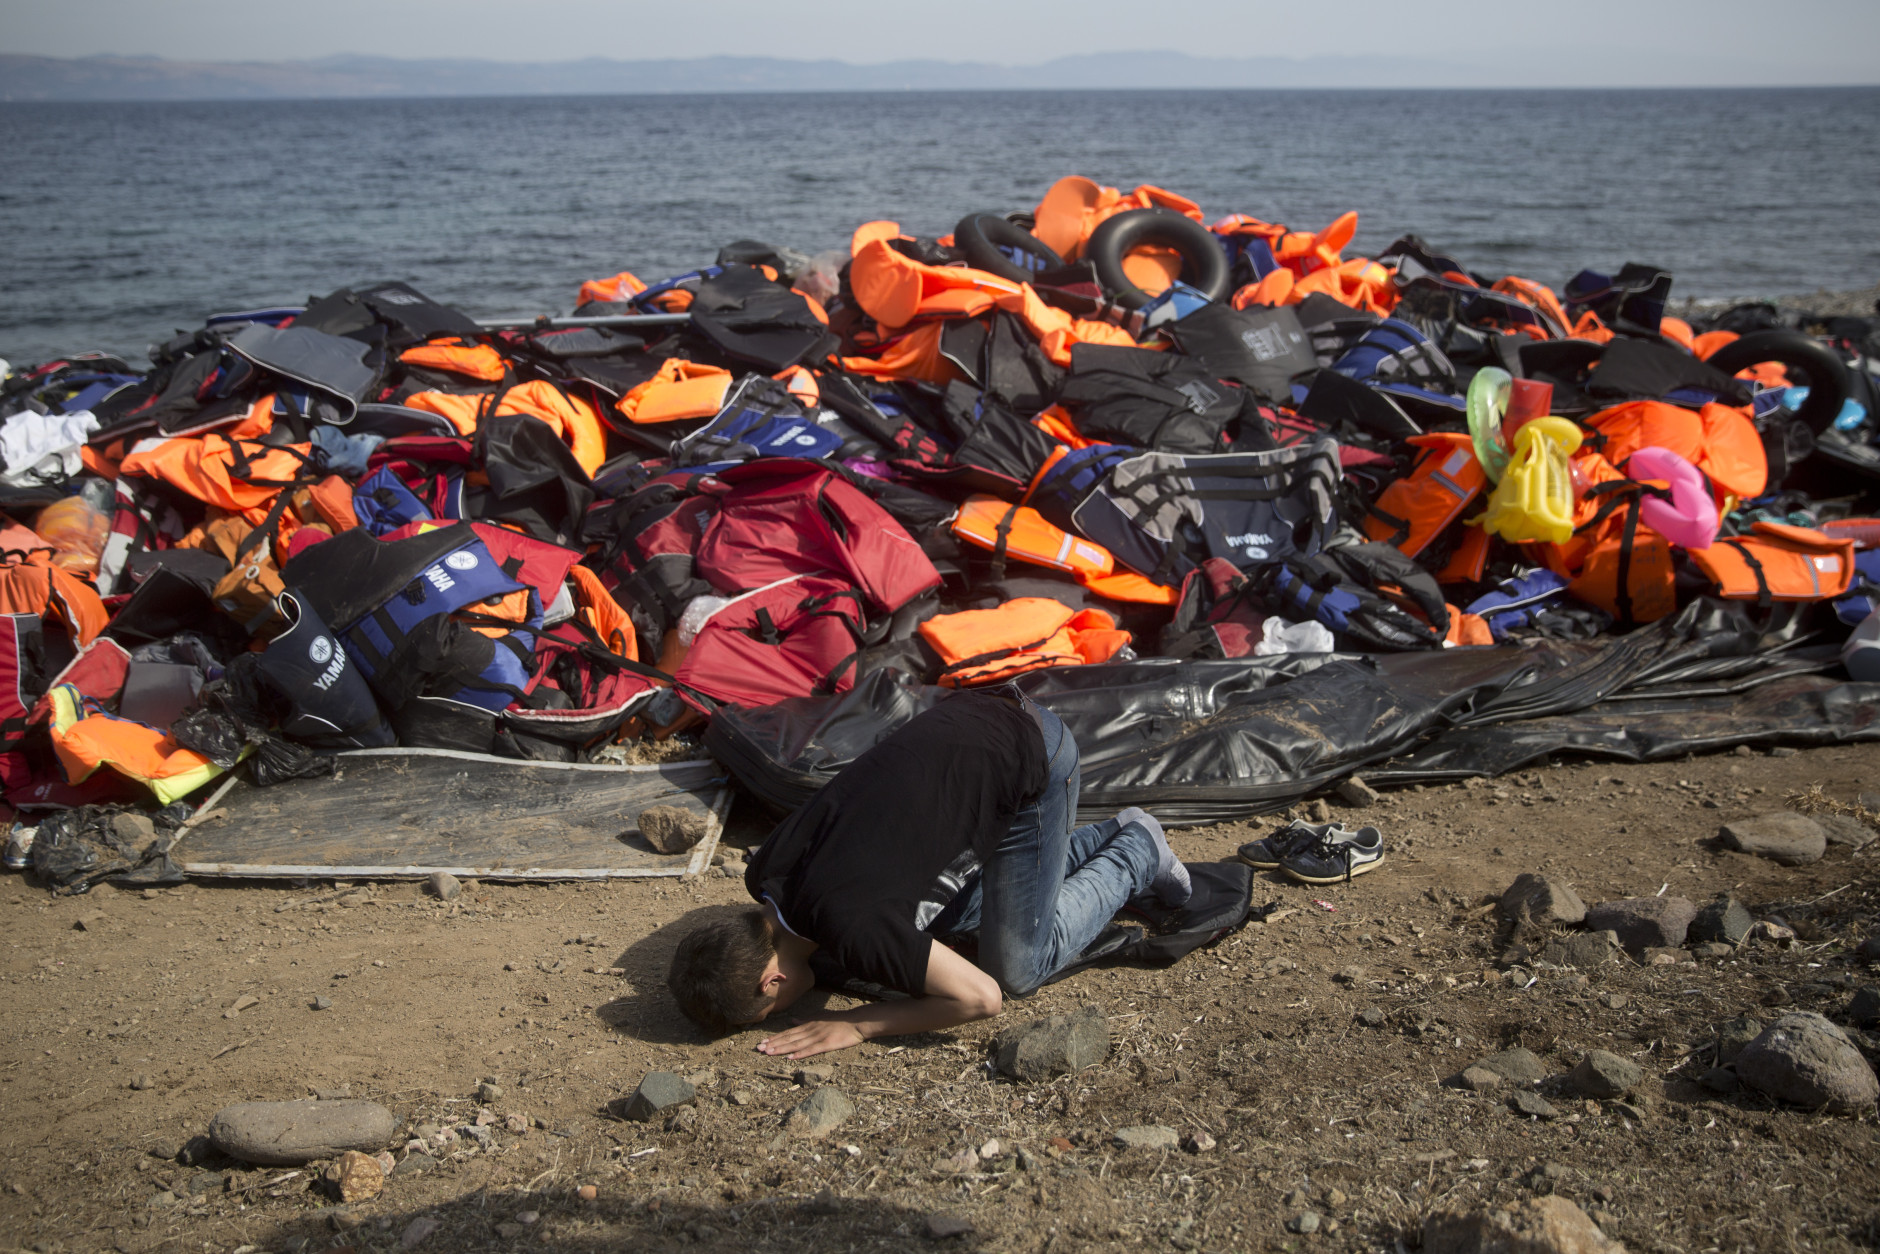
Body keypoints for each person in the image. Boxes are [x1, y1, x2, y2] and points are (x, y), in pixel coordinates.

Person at [665, 685, 1190, 1059]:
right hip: (968, 716)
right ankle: (1105, 835)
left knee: (1018, 969)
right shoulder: (765, 873)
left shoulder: (853, 927)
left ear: (771, 979)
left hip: (1035, 755)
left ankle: (1138, 848)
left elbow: (981, 999)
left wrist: (857, 1025)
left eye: (771, 1010)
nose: (784, 1012)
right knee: (947, 922)